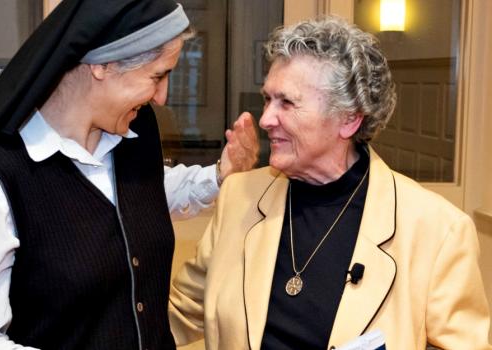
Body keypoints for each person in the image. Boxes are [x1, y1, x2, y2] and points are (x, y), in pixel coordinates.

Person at [0, 0, 257, 349]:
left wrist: (221, 175)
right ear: (104, 65)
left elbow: (144, 192)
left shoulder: (134, 132)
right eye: (158, 76)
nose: (162, 97)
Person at [168, 17, 492, 350]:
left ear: (349, 119)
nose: (266, 119)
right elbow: (180, 311)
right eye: (267, 99)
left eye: (287, 102)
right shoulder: (240, 197)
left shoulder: (438, 230)